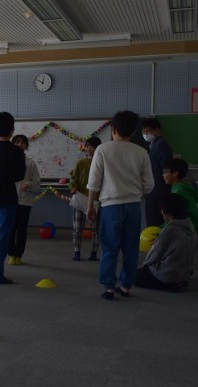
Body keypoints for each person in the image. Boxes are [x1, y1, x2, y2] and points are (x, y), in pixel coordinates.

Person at [87, 110, 154, 300]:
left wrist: (90, 206)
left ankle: (109, 287)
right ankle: (125, 286)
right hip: (133, 206)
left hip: (111, 206)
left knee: (110, 247)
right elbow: (149, 185)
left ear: (113, 129)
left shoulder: (102, 150)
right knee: (131, 247)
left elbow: (94, 182)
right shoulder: (142, 152)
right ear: (133, 131)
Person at [0, 112, 26, 285]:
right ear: (12, 129)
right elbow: (19, 176)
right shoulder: (16, 151)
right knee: (3, 236)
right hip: (7, 198)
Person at [135, 193, 197, 292]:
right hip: (185, 272)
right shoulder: (190, 225)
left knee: (134, 276)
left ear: (168, 212)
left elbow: (154, 255)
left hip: (169, 274)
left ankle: (170, 284)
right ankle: (177, 282)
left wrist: (144, 266)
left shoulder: (170, 230)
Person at [7, 134, 40, 266]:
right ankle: (11, 254)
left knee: (21, 231)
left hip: (25, 202)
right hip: (9, 201)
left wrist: (28, 184)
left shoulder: (30, 163)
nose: (20, 145)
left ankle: (19, 255)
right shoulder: (7, 161)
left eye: (23, 143)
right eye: (17, 142)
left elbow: (37, 183)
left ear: (26, 146)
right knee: (10, 230)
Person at [69, 136, 101, 261]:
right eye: (87, 146)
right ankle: (77, 251)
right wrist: (73, 187)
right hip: (80, 199)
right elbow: (73, 178)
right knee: (77, 228)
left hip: (96, 201)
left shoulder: (101, 164)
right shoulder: (80, 163)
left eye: (92, 146)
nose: (88, 149)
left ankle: (94, 253)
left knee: (95, 229)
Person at [141, 118, 173, 227]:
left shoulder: (161, 145)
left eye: (148, 131)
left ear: (157, 130)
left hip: (158, 191)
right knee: (152, 221)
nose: (145, 134)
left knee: (155, 222)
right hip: (154, 190)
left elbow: (166, 169)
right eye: (143, 132)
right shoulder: (154, 144)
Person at [162, 157, 198, 238]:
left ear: (175, 173)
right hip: (193, 228)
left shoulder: (179, 192)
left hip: (189, 231)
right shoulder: (182, 187)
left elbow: (175, 218)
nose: (163, 175)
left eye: (166, 172)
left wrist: (161, 231)